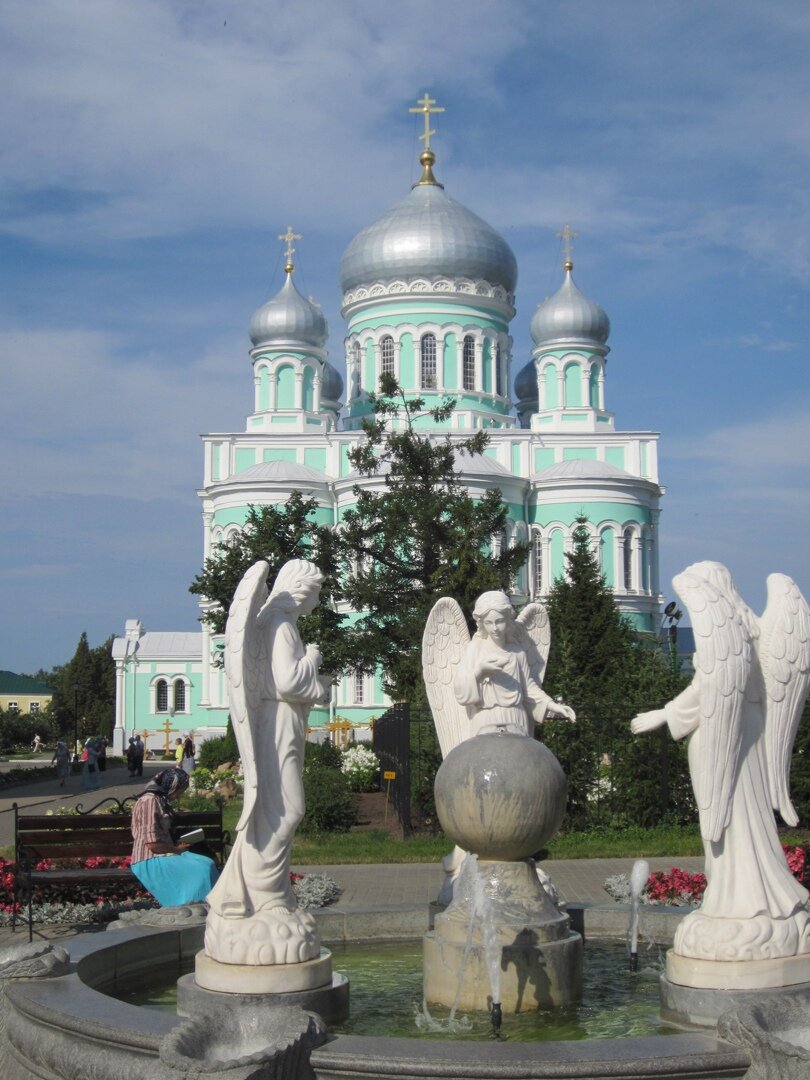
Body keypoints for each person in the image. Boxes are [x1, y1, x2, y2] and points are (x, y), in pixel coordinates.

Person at [454, 591, 575, 737]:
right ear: (482, 623)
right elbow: (460, 690)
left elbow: (529, 689)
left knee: (518, 758)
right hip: (485, 718)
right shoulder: (476, 648)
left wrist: (552, 705)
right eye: (489, 623)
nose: (495, 628)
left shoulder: (517, 652)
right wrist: (480, 670)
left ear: (508, 619)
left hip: (515, 717)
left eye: (499, 621)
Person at [129, 767, 218, 906]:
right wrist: (177, 849)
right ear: (172, 786)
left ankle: (207, 906)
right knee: (202, 871)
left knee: (208, 864)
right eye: (179, 791)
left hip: (166, 853)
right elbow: (152, 845)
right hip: (150, 859)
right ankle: (191, 906)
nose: (178, 796)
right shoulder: (149, 801)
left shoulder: (160, 799)